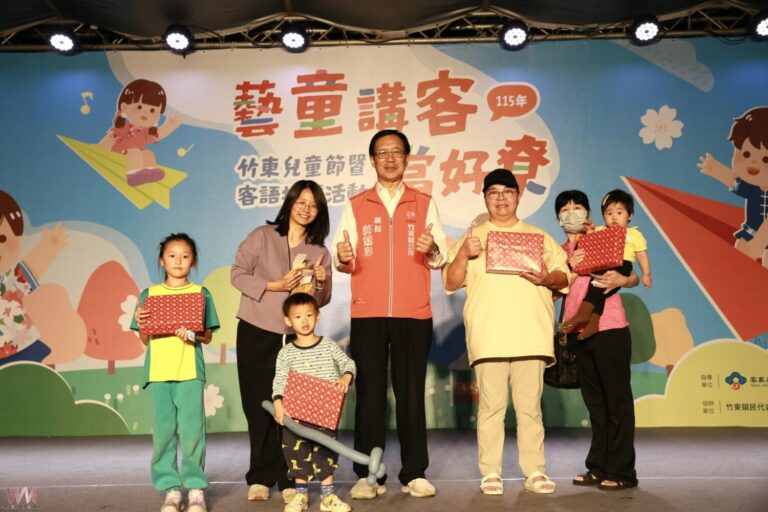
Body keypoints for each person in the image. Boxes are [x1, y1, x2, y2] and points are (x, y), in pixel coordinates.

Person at [331, 129, 447, 499]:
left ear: (407, 158)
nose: (390, 158)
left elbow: (441, 256)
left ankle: (414, 473)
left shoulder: (423, 203)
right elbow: (342, 256)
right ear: (373, 160)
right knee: (370, 395)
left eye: (397, 152)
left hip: (414, 312)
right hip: (368, 313)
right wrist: (342, 258)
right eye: (383, 153)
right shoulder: (356, 204)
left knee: (411, 394)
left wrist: (432, 249)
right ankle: (369, 474)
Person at [443, 169, 569, 496]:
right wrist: (464, 253)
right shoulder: (473, 237)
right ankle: (490, 472)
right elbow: (451, 282)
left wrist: (546, 278)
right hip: (489, 336)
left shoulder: (539, 237)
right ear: (485, 198)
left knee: (530, 409)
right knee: (491, 408)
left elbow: (563, 276)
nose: (501, 198)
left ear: (518, 195)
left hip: (531, 335)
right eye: (493, 192)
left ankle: (535, 470)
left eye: (507, 191)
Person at [231, 180, 333, 503]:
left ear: (319, 212)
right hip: (257, 329)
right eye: (301, 202)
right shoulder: (262, 236)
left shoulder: (320, 251)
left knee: (293, 410)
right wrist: (275, 285)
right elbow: (237, 274)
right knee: (258, 404)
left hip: (296, 338)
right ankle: (260, 476)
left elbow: (322, 299)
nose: (306, 209)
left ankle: (290, 476)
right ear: (290, 203)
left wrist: (321, 282)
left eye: (313, 205)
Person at [555, 189, 639, 491]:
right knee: (595, 404)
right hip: (577, 332)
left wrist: (627, 279)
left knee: (617, 401)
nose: (572, 213)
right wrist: (569, 267)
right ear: (558, 218)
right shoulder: (558, 252)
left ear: (589, 215)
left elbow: (629, 273)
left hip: (610, 328)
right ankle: (598, 466)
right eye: (565, 209)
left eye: (577, 207)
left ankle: (623, 471)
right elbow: (551, 292)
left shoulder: (603, 238)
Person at [131, 233, 220, 512]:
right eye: (172, 255)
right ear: (162, 260)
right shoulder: (148, 295)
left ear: (193, 261)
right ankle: (170, 490)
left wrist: (191, 334)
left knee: (193, 433)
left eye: (185, 256)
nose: (178, 261)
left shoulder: (201, 293)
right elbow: (145, 339)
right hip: (158, 374)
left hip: (190, 372)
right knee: (163, 435)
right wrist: (141, 323)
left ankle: (195, 489)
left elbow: (207, 336)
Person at [272, 293, 357, 512]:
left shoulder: (328, 345)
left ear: (317, 316)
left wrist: (345, 377)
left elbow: (348, 364)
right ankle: (301, 496)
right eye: (298, 316)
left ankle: (328, 497)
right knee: (296, 453)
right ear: (288, 321)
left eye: (309, 315)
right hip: (295, 415)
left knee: (325, 453)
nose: (304, 320)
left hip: (324, 414)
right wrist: (278, 403)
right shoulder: (286, 352)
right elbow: (279, 380)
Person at [563, 189, 652, 339]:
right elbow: (591, 243)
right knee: (600, 290)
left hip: (623, 265)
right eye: (609, 213)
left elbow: (642, 255)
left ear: (630, 215)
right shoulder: (601, 230)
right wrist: (590, 231)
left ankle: (584, 313)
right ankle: (593, 322)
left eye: (619, 213)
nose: (614, 217)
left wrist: (646, 274)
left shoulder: (634, 234)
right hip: (604, 264)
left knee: (598, 285)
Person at [698, 106, 768, 267]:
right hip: (751, 232)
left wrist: (758, 243)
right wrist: (715, 169)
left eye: (765, 159)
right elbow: (733, 181)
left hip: (760, 239)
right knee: (741, 253)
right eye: (746, 154)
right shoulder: (754, 189)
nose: (753, 162)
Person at [98, 79, 181, 186]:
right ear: (124, 107)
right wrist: (98, 150)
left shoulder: (145, 131)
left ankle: (150, 173)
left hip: (135, 159)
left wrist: (169, 126)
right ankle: (133, 175)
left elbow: (157, 136)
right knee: (135, 152)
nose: (146, 112)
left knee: (148, 154)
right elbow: (110, 139)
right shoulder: (123, 128)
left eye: (152, 110)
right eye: (140, 107)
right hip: (118, 157)